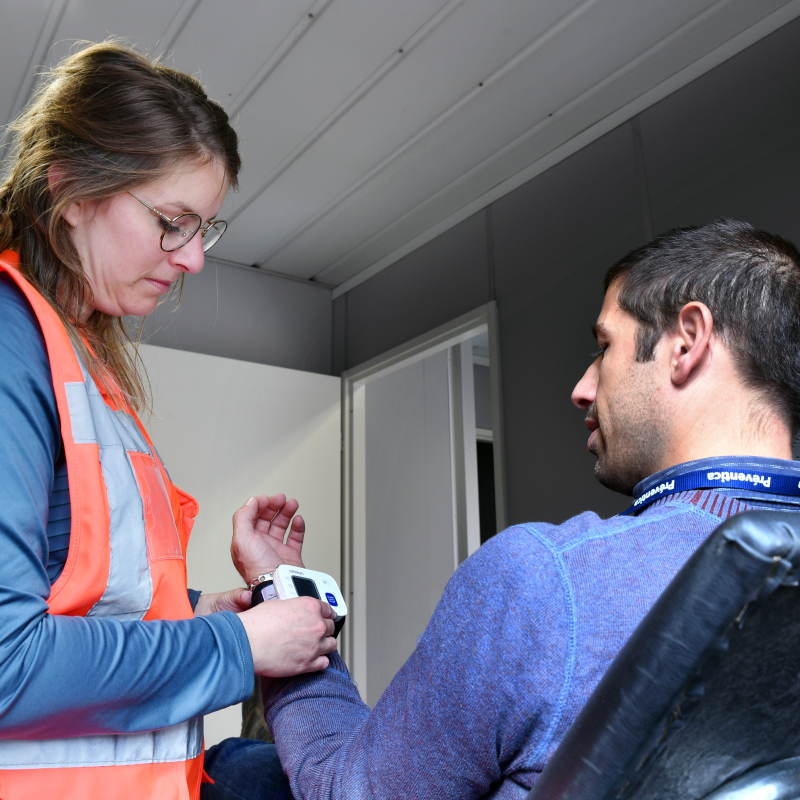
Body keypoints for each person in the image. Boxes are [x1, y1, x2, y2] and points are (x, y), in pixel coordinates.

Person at [255, 220, 800, 799]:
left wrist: (283, 598)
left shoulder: (544, 581)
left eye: (605, 348)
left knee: (239, 767)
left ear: (686, 342)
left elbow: (346, 792)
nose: (582, 388)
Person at [0, 42, 337, 800]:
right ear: (72, 190)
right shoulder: (10, 344)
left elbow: (80, 596)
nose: (192, 260)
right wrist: (235, 645)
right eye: (172, 222)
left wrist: (195, 613)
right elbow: (6, 664)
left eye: (203, 229)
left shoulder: (81, 361)